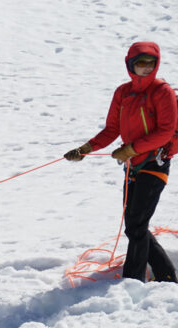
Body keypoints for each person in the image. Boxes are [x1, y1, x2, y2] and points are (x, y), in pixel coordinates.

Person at [64, 41, 178, 282]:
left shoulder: (162, 92)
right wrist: (87, 148)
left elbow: (166, 132)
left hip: (155, 163)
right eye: (141, 63)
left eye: (151, 63)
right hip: (133, 166)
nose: (146, 68)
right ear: (130, 65)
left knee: (136, 224)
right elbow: (112, 128)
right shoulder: (123, 93)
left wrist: (130, 149)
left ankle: (133, 281)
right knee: (135, 224)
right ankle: (166, 275)